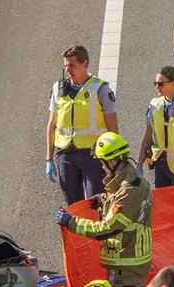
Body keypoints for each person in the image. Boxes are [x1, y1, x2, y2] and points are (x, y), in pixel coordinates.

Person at [56, 132, 152, 287]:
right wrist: (103, 201)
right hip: (128, 261)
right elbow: (120, 202)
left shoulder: (129, 190)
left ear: (112, 161)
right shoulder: (129, 181)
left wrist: (71, 222)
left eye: (102, 163)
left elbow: (106, 229)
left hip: (127, 264)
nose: (101, 167)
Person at [45, 44, 120, 205]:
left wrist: (114, 162)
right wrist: (49, 159)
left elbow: (113, 130)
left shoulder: (101, 90)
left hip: (93, 157)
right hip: (66, 155)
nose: (68, 70)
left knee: (96, 204)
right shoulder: (58, 89)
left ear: (84, 63)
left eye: (72, 65)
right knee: (73, 207)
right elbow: (51, 125)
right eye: (65, 65)